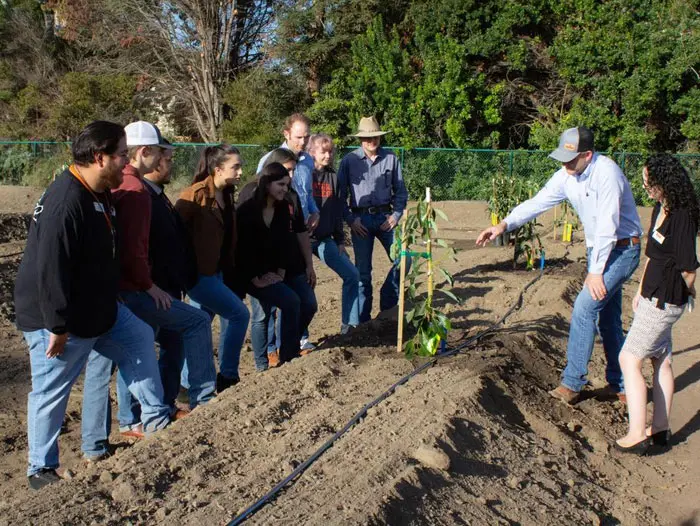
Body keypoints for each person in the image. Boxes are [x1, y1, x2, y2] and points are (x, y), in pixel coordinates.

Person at [13, 121, 172, 489]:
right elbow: (50, 269)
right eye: (120, 155)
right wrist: (56, 325)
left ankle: (156, 422)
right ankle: (41, 468)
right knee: (52, 389)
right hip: (58, 317)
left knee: (139, 338)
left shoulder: (99, 190)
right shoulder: (66, 202)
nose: (126, 161)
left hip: (100, 306)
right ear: (100, 158)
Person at [476, 126, 643, 404]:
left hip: (622, 249)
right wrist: (503, 224)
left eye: (571, 158)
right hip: (599, 251)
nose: (564, 164)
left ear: (588, 155)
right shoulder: (567, 176)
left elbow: (607, 226)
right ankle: (622, 384)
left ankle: (572, 382)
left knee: (584, 308)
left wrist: (595, 272)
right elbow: (538, 202)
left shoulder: (607, 174)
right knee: (609, 318)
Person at [86, 121, 213, 444]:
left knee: (105, 364)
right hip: (130, 290)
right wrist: (147, 285)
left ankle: (98, 441)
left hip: (107, 290)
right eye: (158, 152)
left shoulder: (116, 186)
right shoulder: (136, 191)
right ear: (144, 152)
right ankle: (201, 403)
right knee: (193, 323)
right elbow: (133, 248)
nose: (161, 160)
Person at [615, 154, 698, 454]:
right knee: (661, 358)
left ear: (667, 181)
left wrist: (678, 297)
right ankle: (660, 429)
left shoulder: (683, 216)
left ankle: (637, 432)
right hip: (651, 295)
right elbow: (652, 254)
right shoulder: (659, 208)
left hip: (664, 300)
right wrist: (640, 289)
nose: (646, 187)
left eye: (650, 182)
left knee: (629, 359)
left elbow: (689, 268)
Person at [176, 145, 251, 392]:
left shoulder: (226, 194)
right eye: (235, 167)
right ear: (218, 169)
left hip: (217, 273)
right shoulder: (195, 195)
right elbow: (174, 233)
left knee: (200, 327)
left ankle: (187, 385)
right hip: (200, 275)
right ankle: (227, 375)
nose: (240, 172)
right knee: (240, 314)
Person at [235, 162, 318, 369]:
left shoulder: (282, 208)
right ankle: (261, 364)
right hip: (250, 273)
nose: (285, 189)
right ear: (267, 183)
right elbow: (242, 247)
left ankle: (288, 356)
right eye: (280, 184)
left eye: (287, 185)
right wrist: (255, 277)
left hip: (274, 272)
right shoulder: (248, 209)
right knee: (263, 314)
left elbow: (283, 243)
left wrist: (279, 273)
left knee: (296, 302)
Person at [257, 113, 320, 352]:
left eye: (306, 137)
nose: (303, 142)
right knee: (274, 303)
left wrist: (315, 212)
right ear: (286, 134)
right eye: (298, 137)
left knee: (302, 298)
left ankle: (295, 341)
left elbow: (307, 194)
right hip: (275, 239)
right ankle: (272, 349)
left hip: (298, 235)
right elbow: (260, 194)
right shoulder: (270, 160)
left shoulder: (307, 161)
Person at [337, 116, 409, 323]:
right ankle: (363, 321)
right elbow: (340, 197)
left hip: (386, 218)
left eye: (375, 137)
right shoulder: (349, 161)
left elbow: (401, 192)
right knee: (363, 274)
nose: (372, 141)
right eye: (367, 138)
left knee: (405, 259)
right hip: (360, 220)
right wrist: (351, 220)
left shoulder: (391, 159)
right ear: (360, 140)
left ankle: (387, 302)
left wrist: (396, 215)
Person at [308, 133, 360, 334]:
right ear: (312, 152)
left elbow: (338, 210)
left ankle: (351, 325)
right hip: (303, 240)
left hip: (325, 240)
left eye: (330, 151)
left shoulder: (333, 177)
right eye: (324, 151)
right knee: (305, 286)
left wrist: (340, 240)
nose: (328, 155)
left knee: (352, 274)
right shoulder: (304, 174)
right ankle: (301, 337)